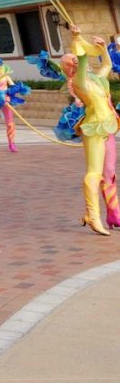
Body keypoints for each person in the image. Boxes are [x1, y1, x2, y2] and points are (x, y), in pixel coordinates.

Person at [59, 22, 120, 236]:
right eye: (69, 62)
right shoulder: (79, 83)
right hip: (93, 128)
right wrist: (77, 38)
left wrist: (103, 48)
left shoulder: (95, 81)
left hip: (107, 128)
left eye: (73, 58)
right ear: (67, 69)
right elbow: (84, 59)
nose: (73, 61)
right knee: (93, 173)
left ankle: (114, 214)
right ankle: (93, 216)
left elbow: (107, 66)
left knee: (109, 173)